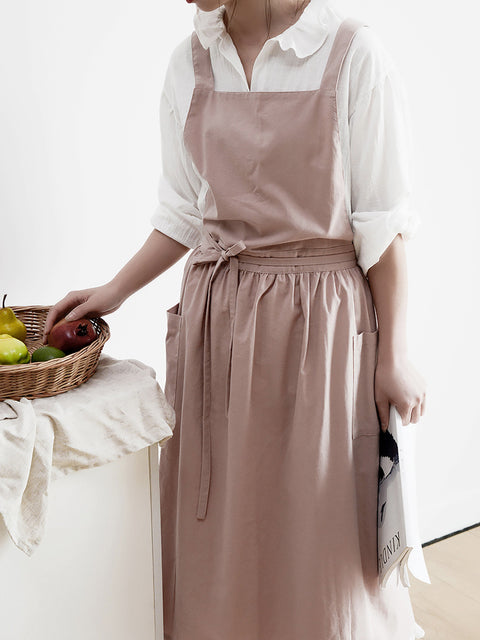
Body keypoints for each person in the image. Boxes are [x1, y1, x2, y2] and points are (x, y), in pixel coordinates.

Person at [43, 0, 428, 638]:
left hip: (322, 329)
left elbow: (383, 226)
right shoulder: (190, 61)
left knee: (321, 528)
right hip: (218, 324)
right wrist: (114, 291)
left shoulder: (352, 53)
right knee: (221, 523)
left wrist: (394, 355)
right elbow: (184, 214)